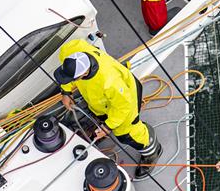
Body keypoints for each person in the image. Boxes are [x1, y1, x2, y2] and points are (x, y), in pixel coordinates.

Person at [55, 39, 161, 179]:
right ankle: (104, 123)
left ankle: (151, 150)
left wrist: (107, 127)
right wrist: (66, 92)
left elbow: (123, 107)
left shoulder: (110, 81)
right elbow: (69, 74)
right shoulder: (70, 51)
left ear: (85, 72)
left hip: (125, 98)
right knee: (99, 114)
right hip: (102, 101)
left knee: (126, 134)